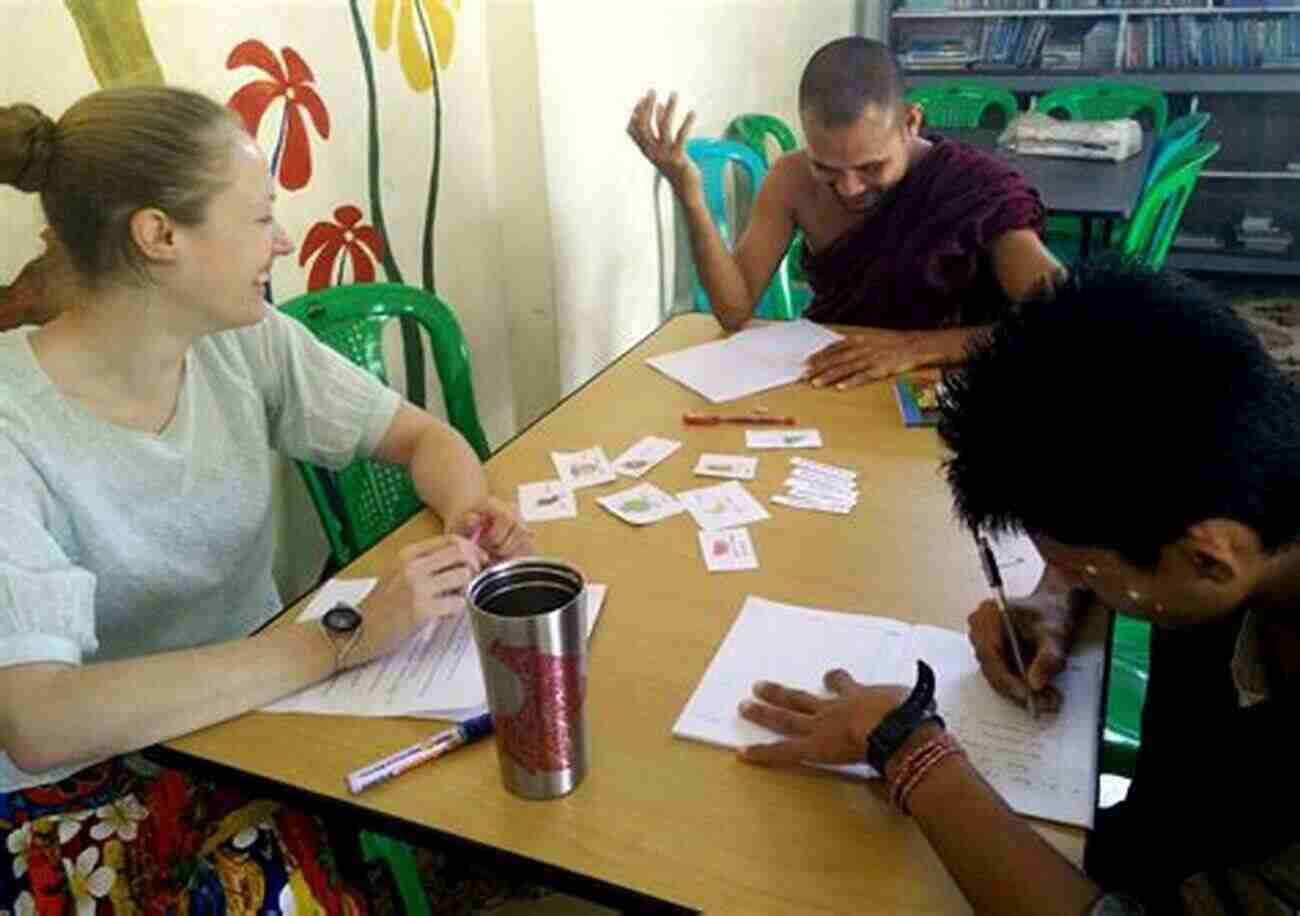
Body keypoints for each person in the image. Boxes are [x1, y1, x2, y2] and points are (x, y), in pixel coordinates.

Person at [0, 88, 532, 913]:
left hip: (251, 722)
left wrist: (470, 511)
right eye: (259, 218)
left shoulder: (244, 340)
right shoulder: (11, 426)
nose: (282, 241)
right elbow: (38, 723)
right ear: (159, 235)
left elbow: (424, 439)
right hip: (82, 792)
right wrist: (342, 640)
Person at [735, 262, 1300, 914]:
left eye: (1091, 570)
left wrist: (913, 751)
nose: (1082, 578)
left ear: (1207, 558)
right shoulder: (1241, 441)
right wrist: (1059, 593)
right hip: (1157, 832)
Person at [626, 36, 1065, 390]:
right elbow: (734, 309)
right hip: (833, 382)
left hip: (939, 392)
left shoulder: (974, 188)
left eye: (872, 167)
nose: (851, 189)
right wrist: (689, 193)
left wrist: (916, 347)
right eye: (827, 169)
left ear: (911, 122)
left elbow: (1065, 320)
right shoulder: (792, 178)